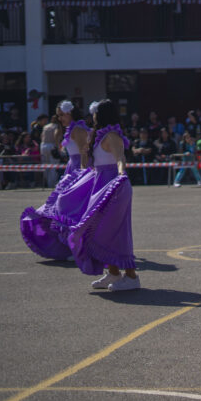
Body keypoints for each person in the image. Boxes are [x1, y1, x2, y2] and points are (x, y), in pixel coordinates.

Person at [66, 99, 140, 291]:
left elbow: (120, 159)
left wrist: (121, 176)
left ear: (103, 114)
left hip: (114, 186)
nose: (93, 116)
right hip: (100, 185)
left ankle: (131, 277)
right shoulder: (98, 136)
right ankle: (114, 273)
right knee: (99, 232)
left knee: (116, 232)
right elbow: (90, 164)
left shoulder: (113, 136)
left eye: (96, 112)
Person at [20, 101, 92, 260]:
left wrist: (81, 174)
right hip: (73, 169)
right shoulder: (72, 128)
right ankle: (73, 247)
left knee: (71, 210)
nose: (59, 118)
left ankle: (77, 248)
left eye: (61, 115)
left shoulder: (78, 129)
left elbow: (85, 153)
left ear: (70, 113)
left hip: (78, 170)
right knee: (66, 209)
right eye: (58, 115)